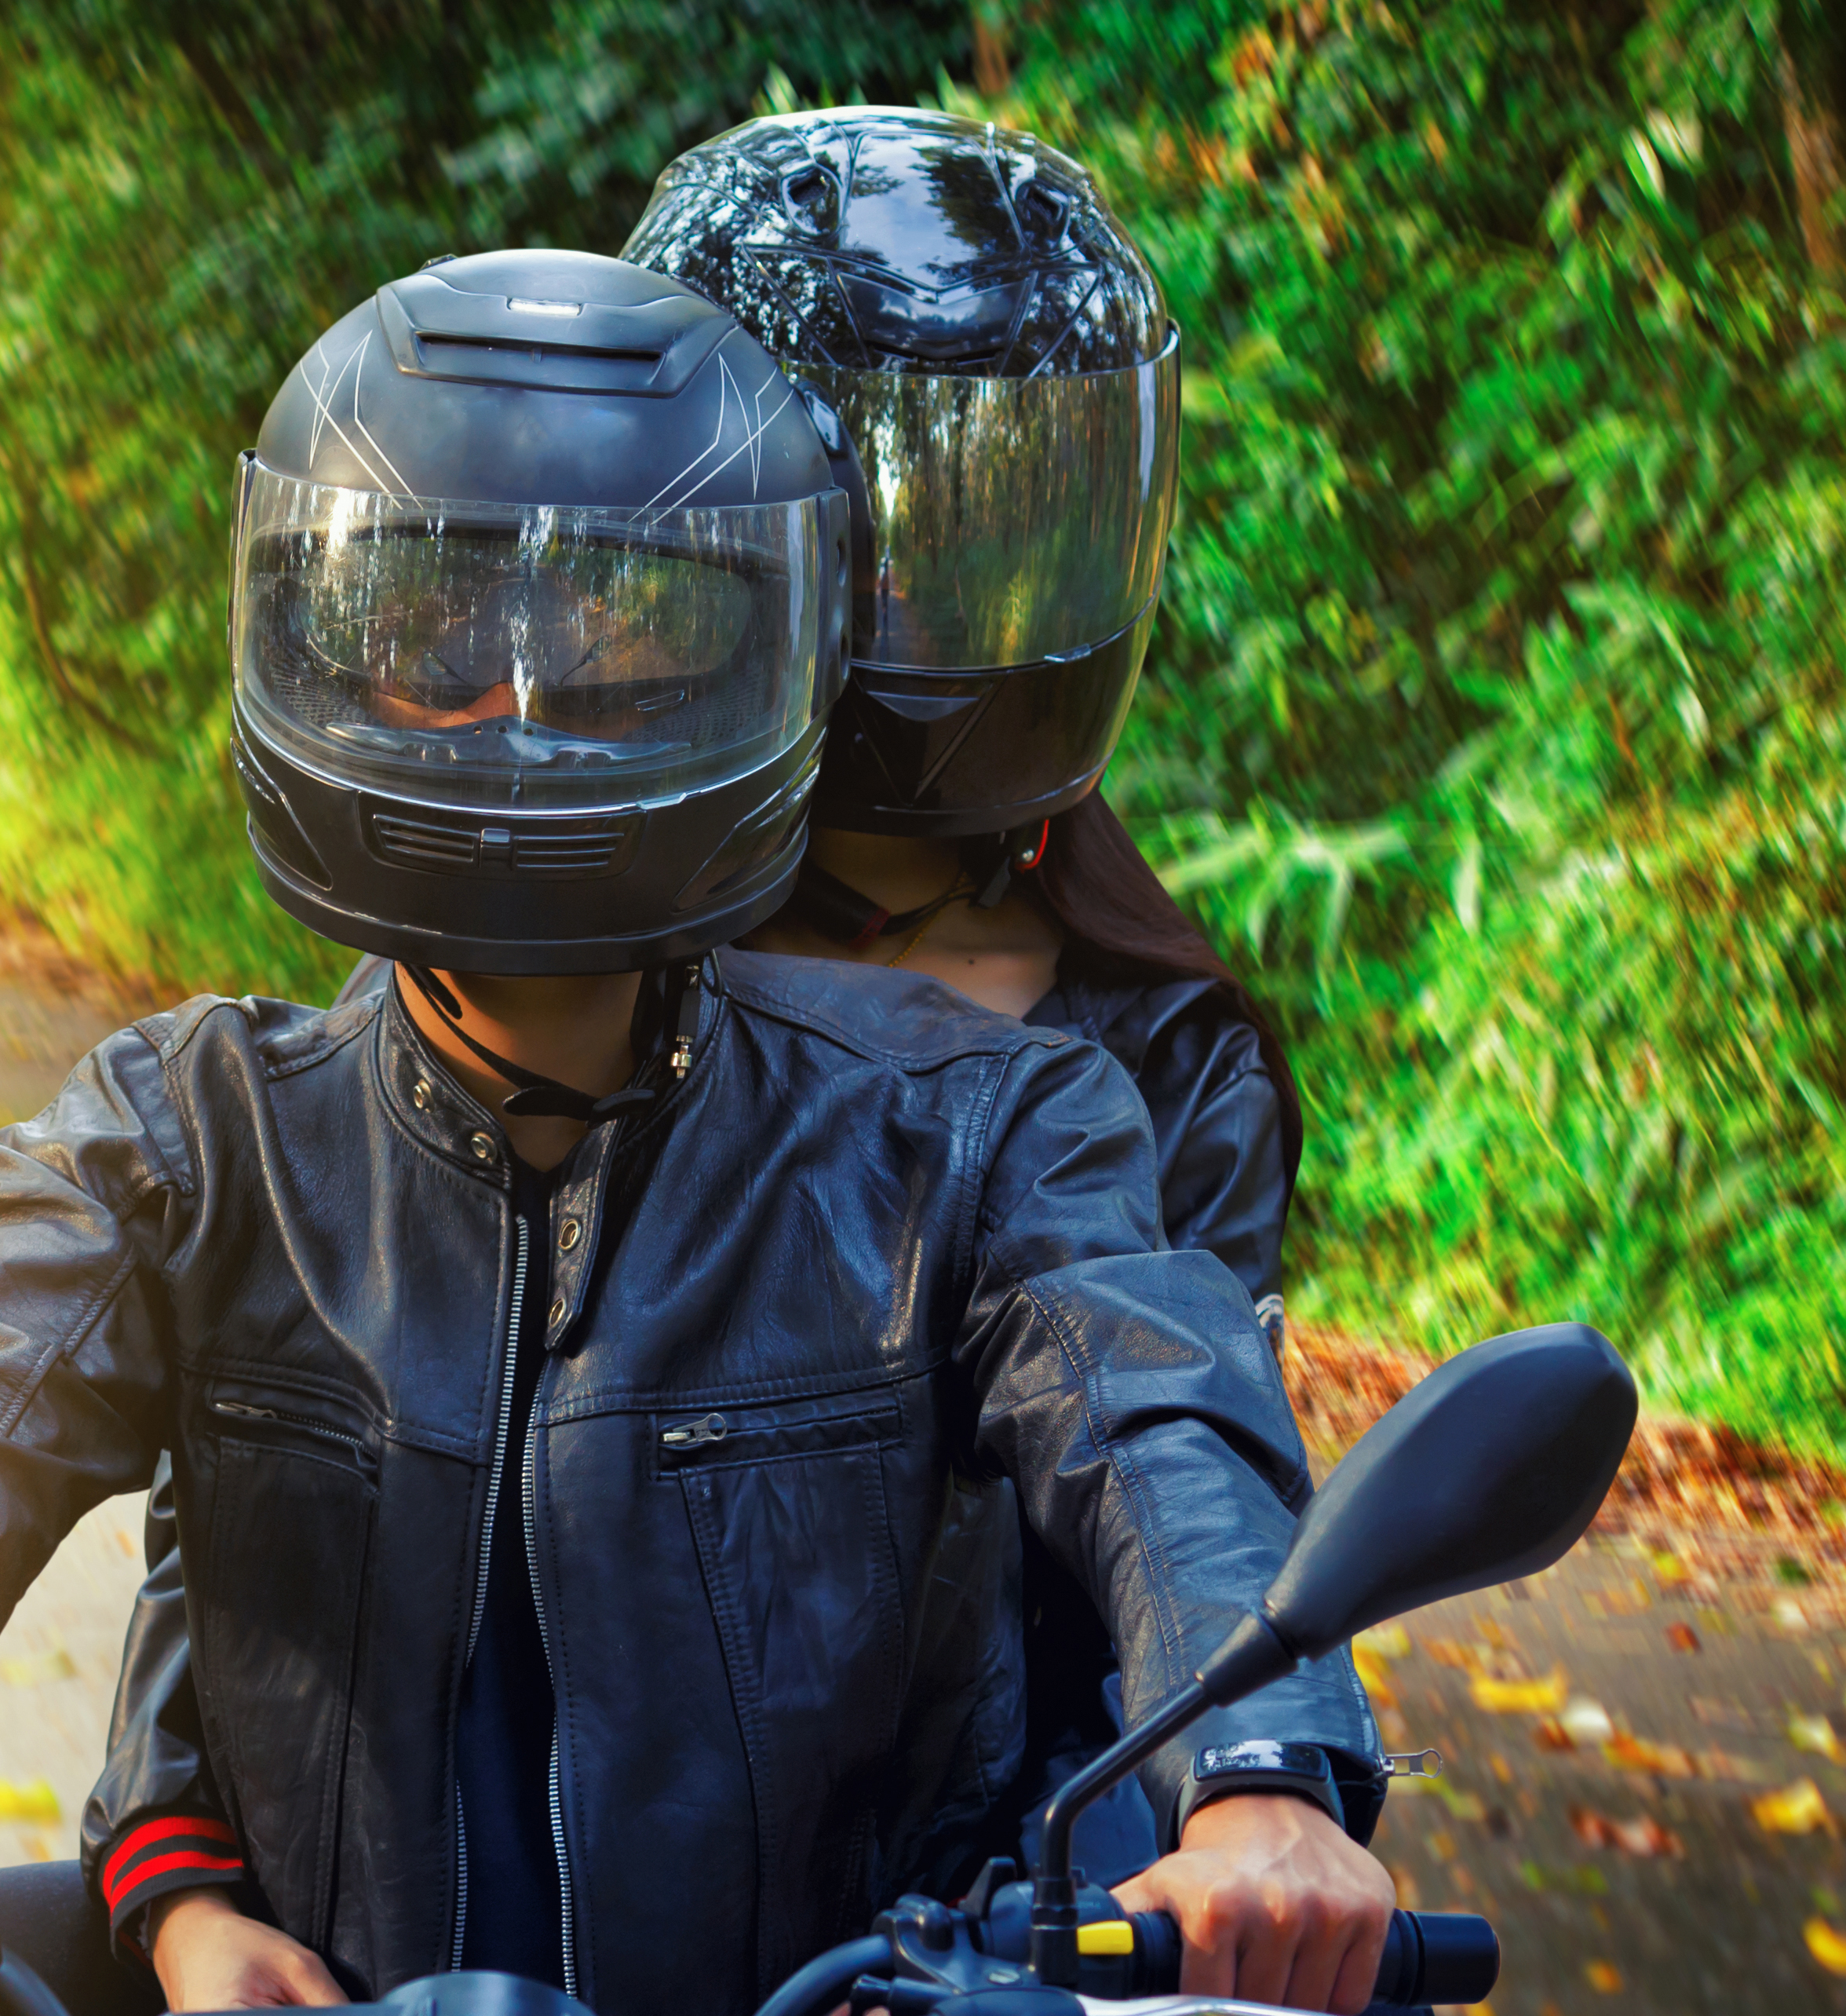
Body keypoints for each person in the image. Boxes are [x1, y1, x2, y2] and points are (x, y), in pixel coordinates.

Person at [0, 249, 1391, 2016]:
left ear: (770, 658)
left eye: (616, 655)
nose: (516, 717)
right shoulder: (185, 1137)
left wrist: (1259, 1772)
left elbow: (1161, 1416)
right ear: (308, 648)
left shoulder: (978, 1124)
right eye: (433, 645)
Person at [89, 112, 1337, 2006]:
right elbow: (294, 1441)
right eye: (876, 525)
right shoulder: (566, 922)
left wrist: (1241, 1801)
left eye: (1006, 521)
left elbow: (1171, 1484)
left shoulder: (1151, 1054)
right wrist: (176, 1869)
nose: (936, 595)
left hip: (976, 1926)